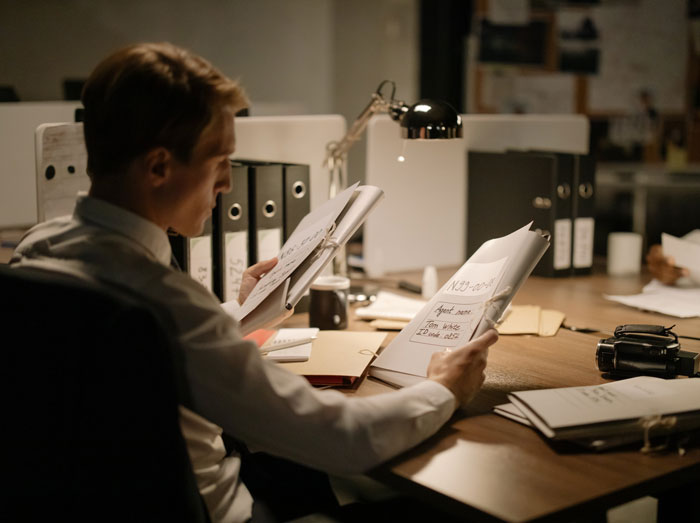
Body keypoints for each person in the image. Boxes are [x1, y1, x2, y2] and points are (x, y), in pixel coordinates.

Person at [11, 42, 497, 523]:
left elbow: (159, 356)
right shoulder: (167, 305)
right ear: (159, 166)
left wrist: (239, 313)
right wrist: (444, 389)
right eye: (219, 160)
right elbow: (343, 439)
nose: (226, 183)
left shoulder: (39, 251)